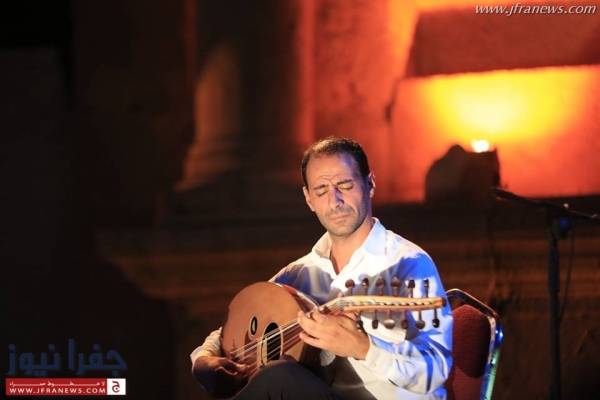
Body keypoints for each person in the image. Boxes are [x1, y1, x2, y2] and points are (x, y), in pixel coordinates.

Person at [191, 137, 453, 399]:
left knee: (279, 377)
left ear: (370, 184)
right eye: (321, 190)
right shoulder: (299, 274)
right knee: (278, 376)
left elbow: (437, 369)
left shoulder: (408, 263)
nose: (334, 201)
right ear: (308, 199)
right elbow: (228, 331)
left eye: (345, 185)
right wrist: (203, 359)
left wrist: (364, 348)